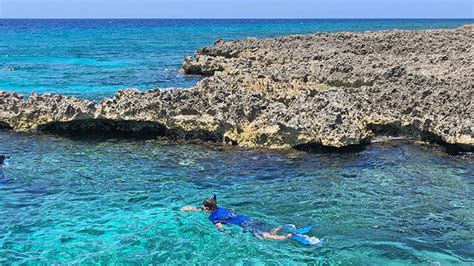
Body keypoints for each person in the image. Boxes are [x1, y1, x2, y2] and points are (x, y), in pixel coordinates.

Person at [181, 195, 321, 245]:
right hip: (249, 219)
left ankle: (287, 236)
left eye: (204, 207)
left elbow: (220, 227)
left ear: (207, 209)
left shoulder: (212, 217)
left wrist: (228, 234)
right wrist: (193, 209)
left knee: (263, 236)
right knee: (267, 229)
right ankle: (285, 227)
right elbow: (208, 207)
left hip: (244, 225)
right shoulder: (219, 208)